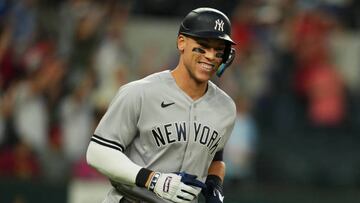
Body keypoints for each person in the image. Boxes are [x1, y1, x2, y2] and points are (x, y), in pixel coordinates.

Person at [86, 7, 237, 203]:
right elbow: (98, 153)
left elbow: (215, 156)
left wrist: (214, 185)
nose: (210, 56)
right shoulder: (140, 92)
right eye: (203, 45)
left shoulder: (225, 108)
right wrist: (151, 180)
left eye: (218, 50)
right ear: (181, 42)